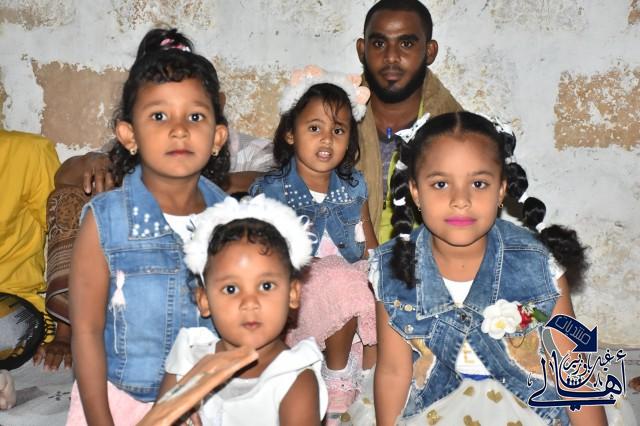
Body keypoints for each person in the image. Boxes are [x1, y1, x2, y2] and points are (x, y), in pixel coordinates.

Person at [348, 111, 610, 425]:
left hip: (529, 406)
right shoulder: (392, 268)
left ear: (501, 190)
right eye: (441, 183)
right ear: (415, 192)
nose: (461, 199)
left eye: (479, 183)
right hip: (434, 407)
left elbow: (573, 368)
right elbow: (393, 371)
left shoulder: (539, 264)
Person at [66, 27, 230, 425]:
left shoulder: (230, 221)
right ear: (129, 135)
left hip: (208, 404)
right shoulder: (105, 221)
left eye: (195, 116)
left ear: (217, 137)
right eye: (159, 116)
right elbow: (86, 331)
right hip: (123, 404)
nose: (179, 129)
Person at [248, 66, 378, 423]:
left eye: (338, 130)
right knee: (338, 275)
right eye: (314, 128)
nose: (327, 140)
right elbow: (262, 263)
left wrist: (387, 275)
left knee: (383, 281)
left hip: (352, 293)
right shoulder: (270, 191)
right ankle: (337, 381)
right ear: (290, 133)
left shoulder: (354, 186)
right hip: (299, 301)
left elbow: (370, 246)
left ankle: (370, 381)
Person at [160, 195, 328, 425]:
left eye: (266, 286)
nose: (249, 302)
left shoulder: (293, 379)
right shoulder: (188, 362)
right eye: (231, 289)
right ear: (204, 300)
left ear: (292, 294)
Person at [356, 0, 462, 242]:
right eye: (379, 43)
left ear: (429, 51)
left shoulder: (460, 131)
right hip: (341, 263)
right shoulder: (332, 123)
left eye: (406, 44)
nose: (391, 57)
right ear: (362, 49)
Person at [0, 129, 73, 376]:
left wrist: (64, 333)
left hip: (9, 300)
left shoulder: (28, 152)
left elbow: (66, 237)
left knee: (5, 332)